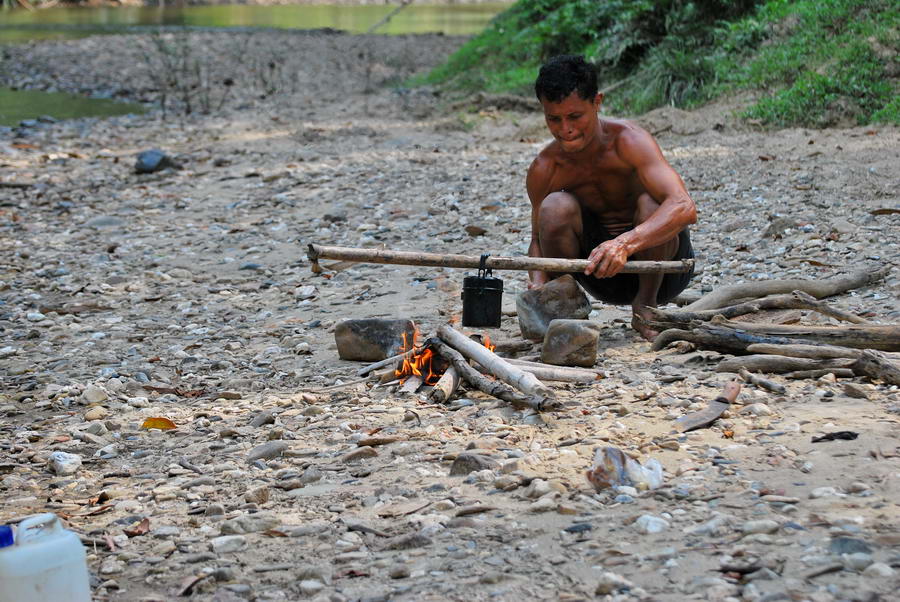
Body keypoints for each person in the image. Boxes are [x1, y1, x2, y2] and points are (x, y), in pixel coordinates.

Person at [526, 54, 697, 341]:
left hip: (663, 271)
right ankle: (564, 310)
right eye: (553, 119)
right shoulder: (546, 167)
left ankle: (646, 306)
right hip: (597, 274)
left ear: (597, 102)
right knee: (553, 207)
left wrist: (624, 244)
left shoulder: (629, 141)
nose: (565, 129)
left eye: (575, 116)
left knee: (652, 203)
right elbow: (537, 241)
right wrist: (539, 283)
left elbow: (684, 207)